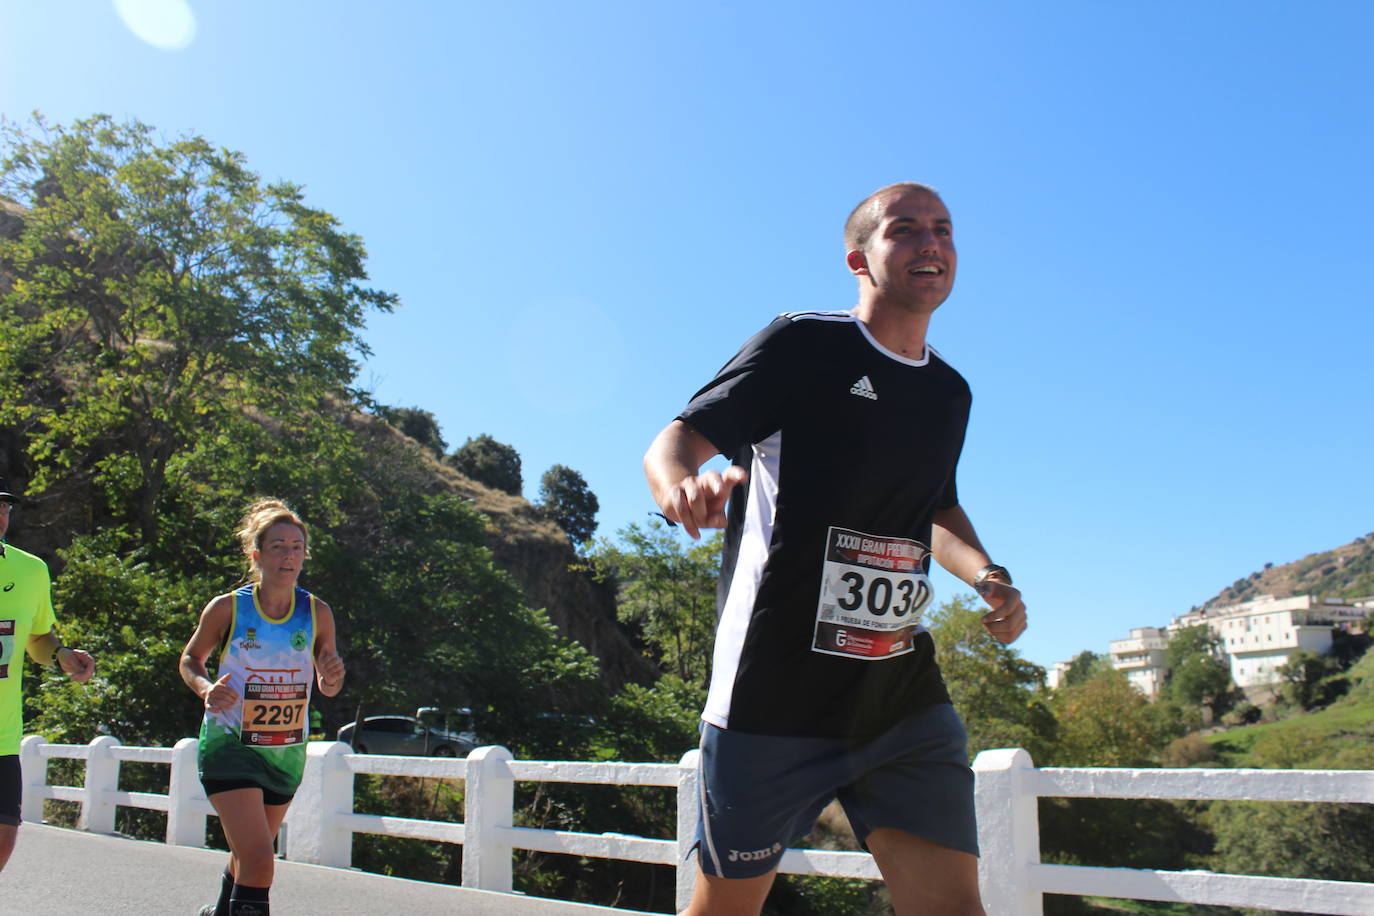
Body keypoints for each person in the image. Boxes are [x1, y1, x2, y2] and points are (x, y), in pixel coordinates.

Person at [644, 182, 1028, 916]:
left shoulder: (949, 392)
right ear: (860, 258)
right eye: (905, 230)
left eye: (943, 230)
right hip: (773, 693)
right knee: (726, 909)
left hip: (897, 693)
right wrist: (678, 487)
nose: (931, 244)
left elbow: (937, 507)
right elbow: (675, 441)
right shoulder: (804, 344)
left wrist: (989, 575)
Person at [180, 499, 345, 916]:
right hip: (229, 745)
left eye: (296, 546)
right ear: (257, 555)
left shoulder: (317, 613)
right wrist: (205, 688)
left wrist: (331, 674)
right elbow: (189, 659)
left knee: (248, 855)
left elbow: (328, 686)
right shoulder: (228, 607)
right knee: (260, 860)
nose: (289, 555)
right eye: (278, 546)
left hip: (285, 751)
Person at [0, 477, 96, 873]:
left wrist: (60, 654)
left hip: (2, 735)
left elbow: (37, 635)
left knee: (5, 837)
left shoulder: (30, 571)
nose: (0, 516)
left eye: (4, 509)